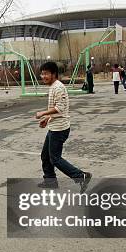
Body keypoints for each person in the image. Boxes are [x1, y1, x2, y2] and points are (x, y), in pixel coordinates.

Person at [35, 62, 92, 190]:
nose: (43, 76)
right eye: (42, 73)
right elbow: (59, 109)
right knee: (45, 156)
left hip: (59, 129)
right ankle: (50, 181)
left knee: (55, 158)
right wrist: (47, 119)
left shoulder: (58, 88)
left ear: (53, 74)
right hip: (55, 126)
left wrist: (43, 113)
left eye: (46, 73)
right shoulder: (53, 87)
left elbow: (59, 108)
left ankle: (81, 176)